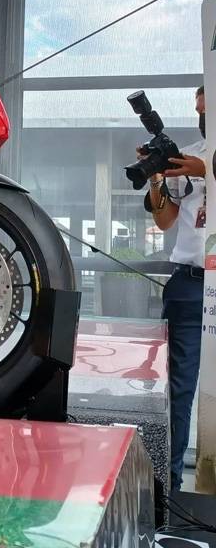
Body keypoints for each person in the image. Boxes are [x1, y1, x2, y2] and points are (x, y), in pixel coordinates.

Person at [144, 85, 206, 492]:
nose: (202, 116)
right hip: (189, 285)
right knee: (178, 390)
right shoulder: (189, 154)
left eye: (208, 108)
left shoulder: (200, 162)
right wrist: (156, 179)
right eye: (198, 109)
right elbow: (165, 220)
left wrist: (207, 170)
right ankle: (170, 488)